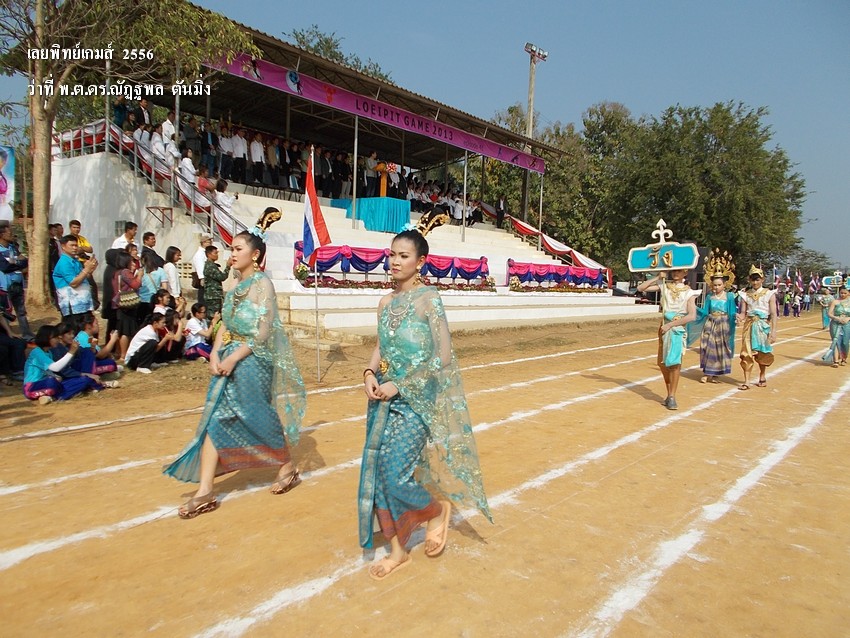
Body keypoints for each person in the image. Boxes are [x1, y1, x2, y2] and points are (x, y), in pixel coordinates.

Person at [358, 227, 492, 580]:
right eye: (392, 255)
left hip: (416, 401)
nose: (395, 261)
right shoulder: (384, 303)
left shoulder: (429, 299)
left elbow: (444, 356)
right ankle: (398, 551)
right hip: (382, 398)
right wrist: (369, 373)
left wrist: (400, 384)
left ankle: (435, 512)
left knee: (395, 474)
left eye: (403, 256)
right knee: (380, 475)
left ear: (420, 262)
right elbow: (381, 345)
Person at [164, 208, 306, 519]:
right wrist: (215, 353)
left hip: (253, 361)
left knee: (259, 415)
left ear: (254, 255)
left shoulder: (262, 285)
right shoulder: (234, 287)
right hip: (227, 358)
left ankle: (286, 466)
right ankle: (205, 492)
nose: (232, 254)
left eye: (237, 248)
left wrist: (233, 356)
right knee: (216, 417)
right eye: (231, 248)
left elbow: (264, 332)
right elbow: (224, 325)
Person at [636, 270, 699, 410]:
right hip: (663, 328)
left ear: (685, 273)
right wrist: (658, 277)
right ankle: (669, 392)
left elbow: (692, 316)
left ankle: (672, 396)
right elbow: (640, 288)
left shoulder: (689, 293)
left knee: (674, 362)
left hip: (676, 329)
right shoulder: (664, 286)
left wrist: (671, 325)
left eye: (679, 271)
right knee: (662, 362)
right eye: (674, 270)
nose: (676, 273)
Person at [687, 253, 737, 384]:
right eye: (714, 285)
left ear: (724, 284)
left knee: (720, 349)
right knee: (707, 347)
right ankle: (706, 372)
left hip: (723, 325)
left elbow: (732, 311)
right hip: (710, 324)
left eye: (719, 285)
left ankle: (716, 374)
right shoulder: (709, 296)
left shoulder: (729, 296)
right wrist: (693, 306)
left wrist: (735, 318)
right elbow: (705, 311)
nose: (716, 287)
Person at [23, 325, 102, 404]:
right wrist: (71, 352)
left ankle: (53, 396)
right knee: (52, 382)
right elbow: (55, 368)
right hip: (32, 386)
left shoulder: (48, 352)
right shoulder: (37, 352)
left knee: (84, 379)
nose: (57, 340)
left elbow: (47, 370)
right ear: (46, 338)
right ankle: (59, 395)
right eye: (55, 338)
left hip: (51, 384)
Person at [737, 266, 777, 390]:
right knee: (746, 353)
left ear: (762, 280)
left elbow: (773, 314)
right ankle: (747, 381)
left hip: (762, 326)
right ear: (749, 280)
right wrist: (738, 317)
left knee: (762, 352)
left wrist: (773, 331)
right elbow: (743, 313)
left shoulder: (769, 294)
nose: (755, 282)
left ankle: (762, 375)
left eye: (757, 279)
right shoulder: (745, 295)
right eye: (753, 279)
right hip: (749, 325)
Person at [53, 234, 98, 324]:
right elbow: (73, 283)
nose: (75, 248)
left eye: (76, 245)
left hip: (83, 305)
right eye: (72, 245)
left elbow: (82, 279)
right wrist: (86, 269)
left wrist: (90, 270)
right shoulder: (64, 262)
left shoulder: (75, 261)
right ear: (63, 247)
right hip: (73, 307)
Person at [0, 221, 33, 339]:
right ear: (2, 235)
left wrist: (14, 263)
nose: (12, 235)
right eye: (9, 233)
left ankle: (27, 335)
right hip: (4, 287)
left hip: (18, 284)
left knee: (21, 312)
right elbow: (4, 267)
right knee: (6, 312)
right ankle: (7, 335)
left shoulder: (13, 247)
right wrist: (17, 264)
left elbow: (24, 261)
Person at [112, 250, 142, 361]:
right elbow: (136, 284)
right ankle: (123, 355)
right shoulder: (125, 272)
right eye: (131, 261)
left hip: (120, 303)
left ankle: (119, 352)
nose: (133, 264)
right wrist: (139, 275)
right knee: (126, 330)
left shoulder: (117, 272)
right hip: (127, 303)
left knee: (122, 329)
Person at [822, 286, 850, 367]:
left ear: (848, 293)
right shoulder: (835, 301)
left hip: (847, 324)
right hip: (835, 324)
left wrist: (848, 318)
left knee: (845, 342)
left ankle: (844, 358)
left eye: (845, 293)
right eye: (841, 293)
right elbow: (829, 313)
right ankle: (836, 361)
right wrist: (837, 318)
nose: (843, 295)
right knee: (836, 341)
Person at [202, 244, 230, 319]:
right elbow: (222, 277)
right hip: (213, 296)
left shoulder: (211, 265)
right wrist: (228, 266)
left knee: (215, 316)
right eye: (215, 253)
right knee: (214, 316)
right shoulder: (210, 266)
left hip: (213, 295)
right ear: (209, 254)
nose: (217, 255)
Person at [192, 234, 213, 305]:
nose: (210, 243)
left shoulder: (205, 253)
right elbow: (200, 267)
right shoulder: (199, 254)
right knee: (203, 300)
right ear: (203, 243)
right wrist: (202, 278)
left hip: (208, 279)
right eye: (209, 242)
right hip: (204, 280)